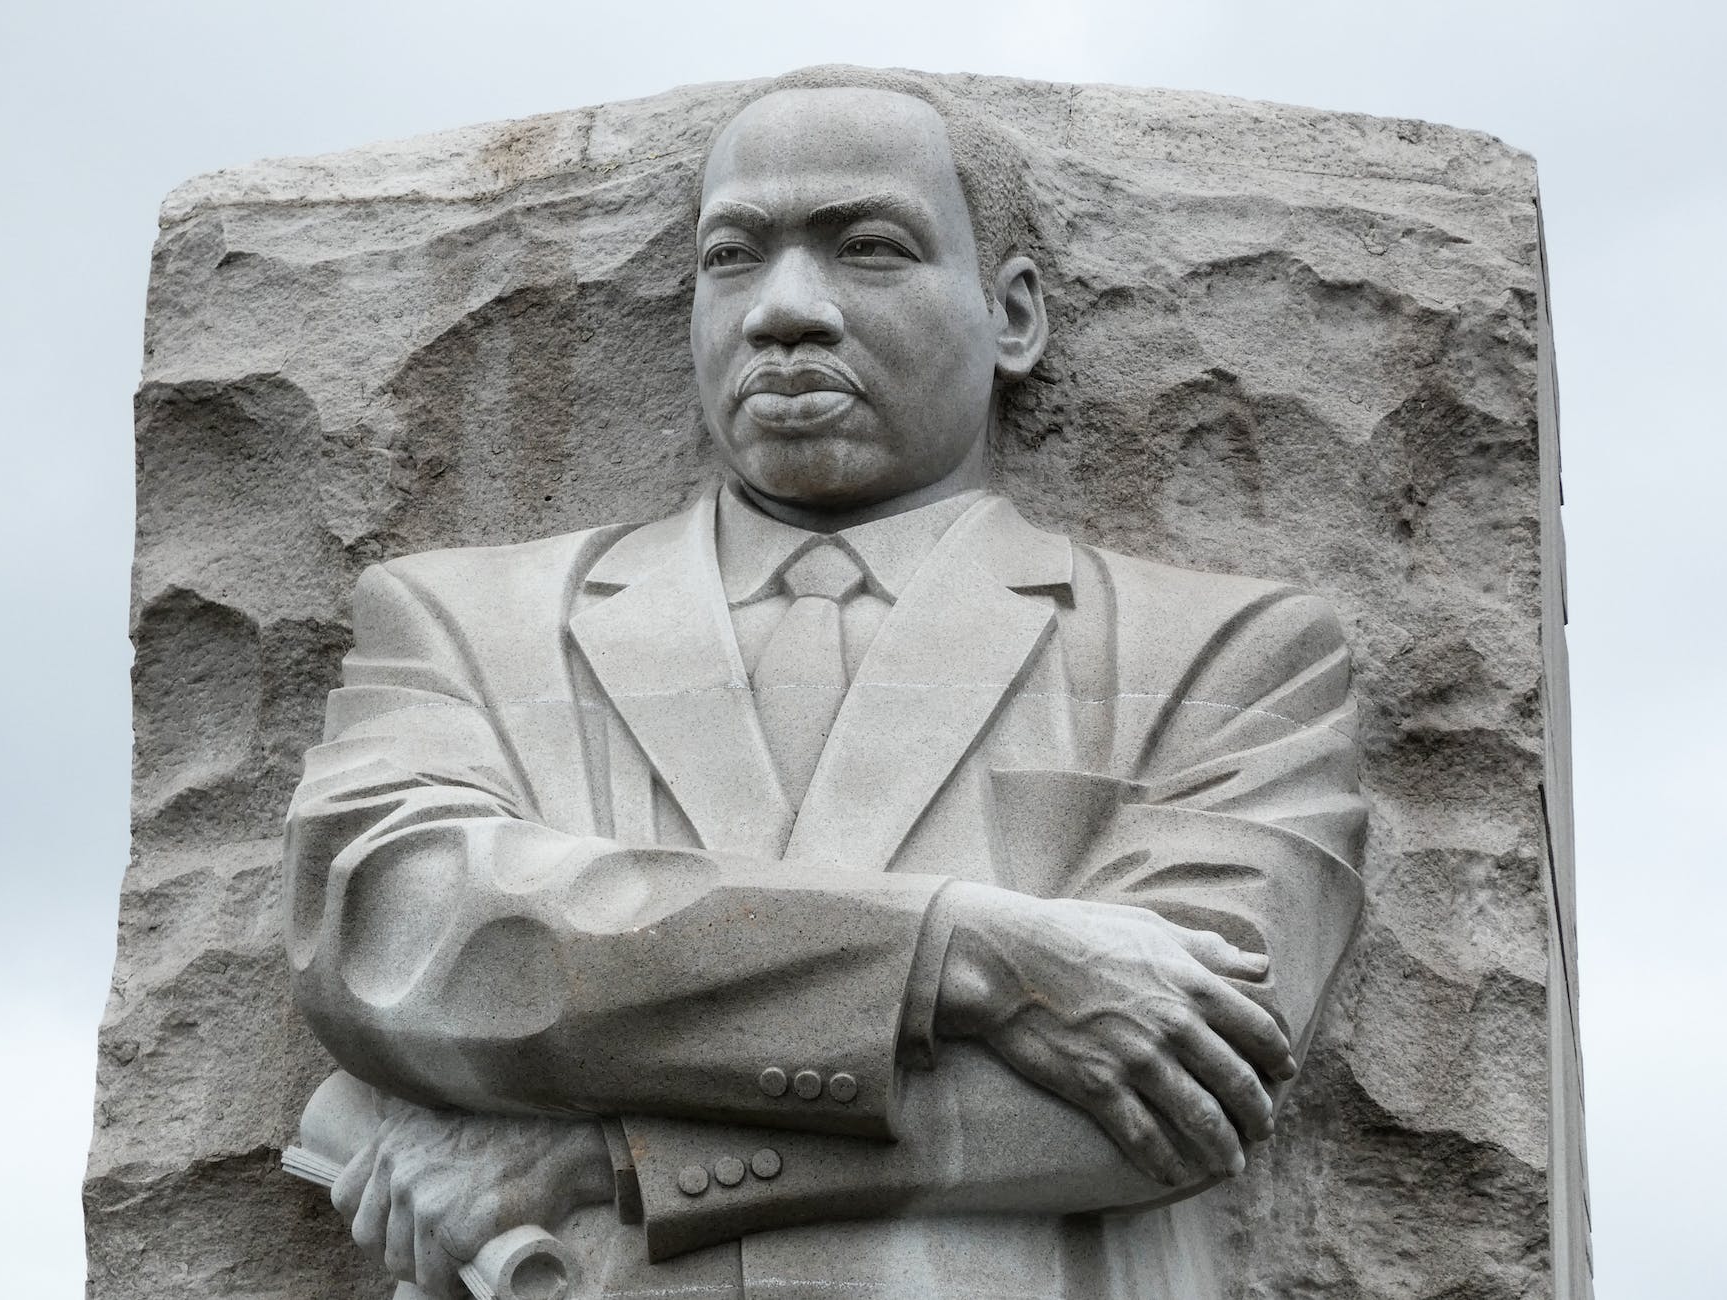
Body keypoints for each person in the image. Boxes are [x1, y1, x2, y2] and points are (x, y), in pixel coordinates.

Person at [283, 65, 1366, 1300]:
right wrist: (964, 952)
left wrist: (599, 1154)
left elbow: (1175, 1091)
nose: (783, 309)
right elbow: (402, 941)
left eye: (867, 248)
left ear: (1012, 316)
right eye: (733, 256)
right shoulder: (465, 623)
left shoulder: (1226, 653)